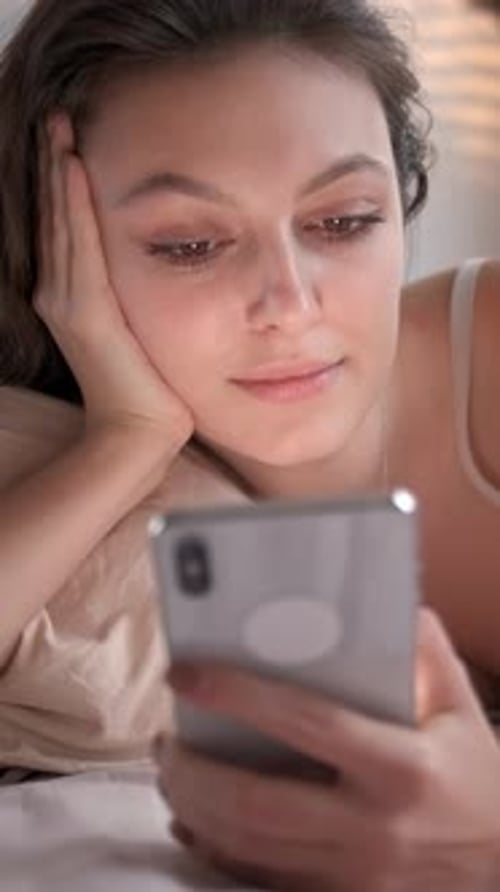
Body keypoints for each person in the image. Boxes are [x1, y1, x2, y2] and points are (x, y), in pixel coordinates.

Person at [0, 0, 499, 888]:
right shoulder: (60, 443)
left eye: (344, 221)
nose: (290, 303)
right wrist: (126, 439)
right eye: (191, 244)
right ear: (59, 247)